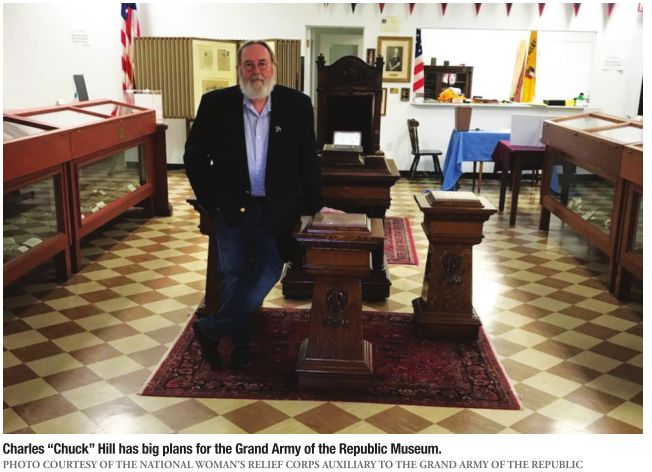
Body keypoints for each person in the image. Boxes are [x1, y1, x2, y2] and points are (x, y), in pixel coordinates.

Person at [183, 40, 322, 369]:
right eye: (249, 64)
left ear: (273, 67)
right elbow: (194, 156)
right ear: (239, 70)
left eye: (262, 63)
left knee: (268, 270)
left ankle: (211, 328)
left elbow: (308, 161)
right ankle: (241, 342)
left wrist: (313, 207)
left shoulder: (296, 105)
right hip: (232, 209)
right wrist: (211, 201)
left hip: (277, 211)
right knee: (233, 275)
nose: (256, 71)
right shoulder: (216, 104)